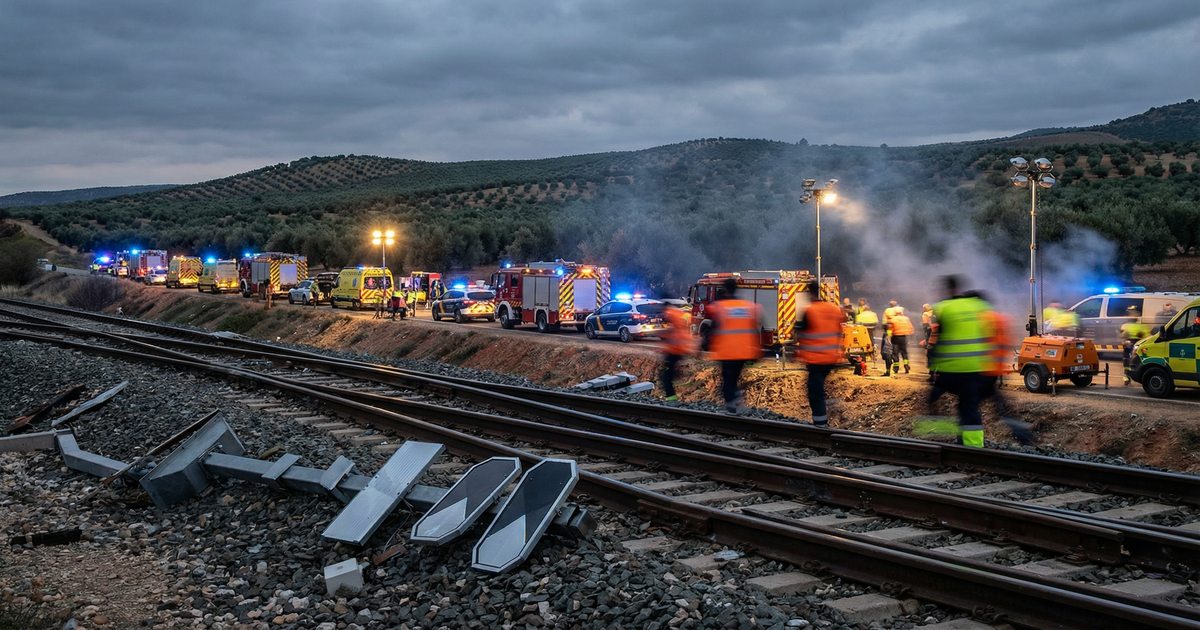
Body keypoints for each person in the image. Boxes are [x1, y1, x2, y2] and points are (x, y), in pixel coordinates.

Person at [926, 275, 991, 448]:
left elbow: (937, 342)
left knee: (935, 394)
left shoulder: (944, 308)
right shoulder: (977, 306)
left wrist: (932, 369)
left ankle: (933, 423)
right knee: (968, 405)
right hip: (978, 369)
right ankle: (973, 446)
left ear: (948, 290)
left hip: (952, 369)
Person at [705, 278, 763, 414]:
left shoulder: (721, 307)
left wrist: (707, 347)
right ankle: (735, 403)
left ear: (725, 290)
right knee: (733, 379)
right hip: (744, 352)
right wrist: (758, 351)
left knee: (728, 380)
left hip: (727, 352)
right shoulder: (748, 306)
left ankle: (733, 405)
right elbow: (755, 329)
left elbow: (714, 329)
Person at [794, 282, 844, 427]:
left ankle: (820, 423)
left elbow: (801, 330)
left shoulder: (810, 311)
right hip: (832, 357)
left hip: (816, 358)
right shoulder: (834, 309)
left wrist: (796, 351)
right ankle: (826, 413)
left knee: (814, 392)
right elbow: (839, 329)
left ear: (810, 294)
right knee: (819, 387)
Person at [659, 303, 695, 401]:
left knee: (666, 378)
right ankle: (671, 399)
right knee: (667, 377)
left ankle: (671, 401)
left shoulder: (671, 316)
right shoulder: (678, 315)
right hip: (677, 351)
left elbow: (672, 336)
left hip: (674, 352)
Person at [889, 306, 915, 374]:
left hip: (895, 337)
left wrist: (888, 337)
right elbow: (911, 329)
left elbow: (889, 329)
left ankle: (896, 368)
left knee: (895, 353)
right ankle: (906, 366)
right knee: (904, 352)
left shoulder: (892, 319)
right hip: (903, 337)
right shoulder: (906, 319)